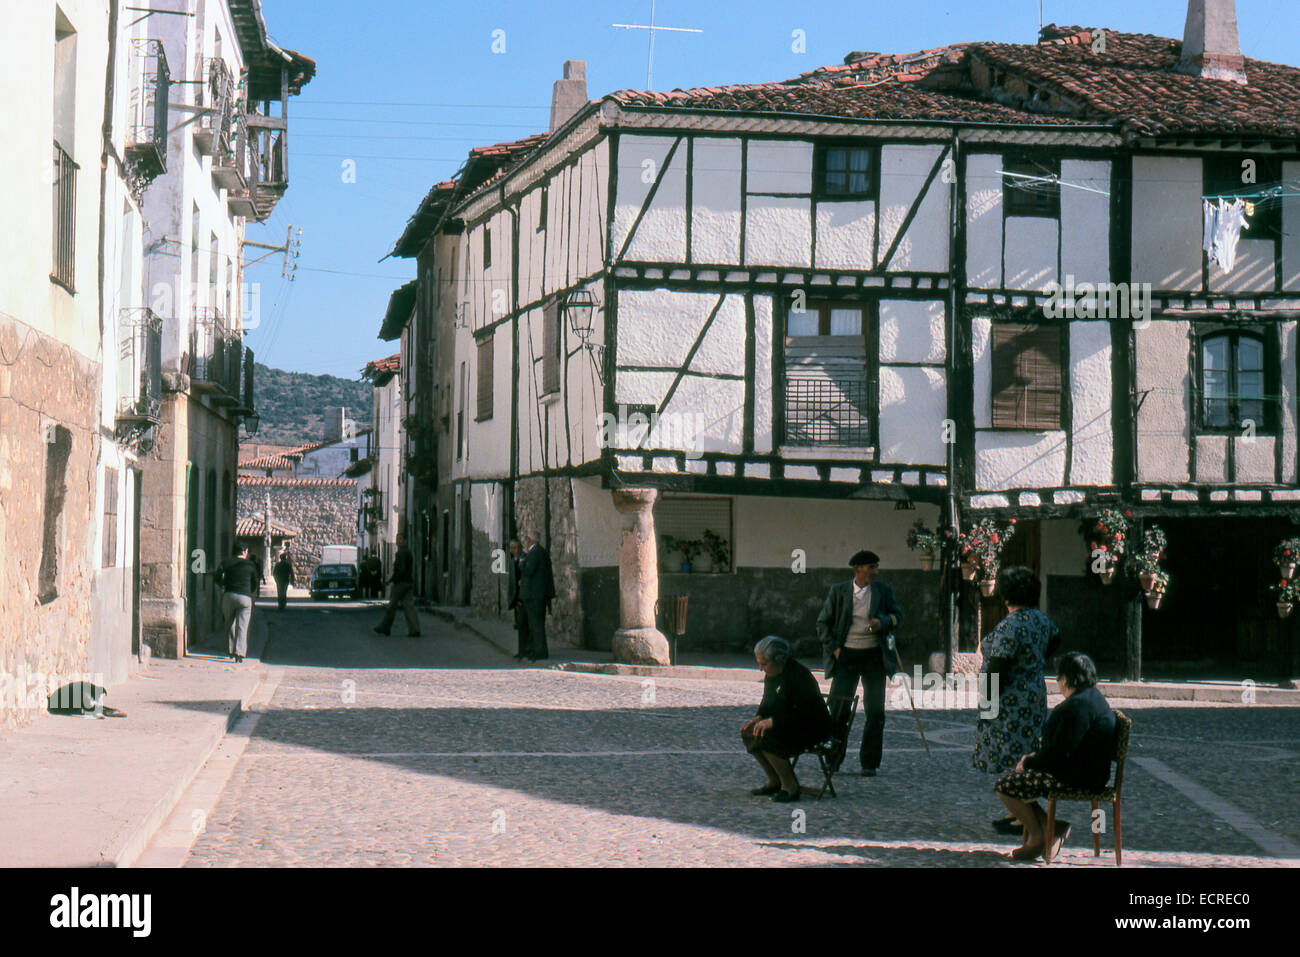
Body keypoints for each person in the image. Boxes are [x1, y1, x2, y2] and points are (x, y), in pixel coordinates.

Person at [994, 652, 1116, 861]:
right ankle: (1052, 827)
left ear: (1066, 679)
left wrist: (1029, 762)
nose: (1058, 683)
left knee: (1005, 787)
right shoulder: (1093, 699)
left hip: (1077, 777)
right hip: (1093, 772)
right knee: (1021, 780)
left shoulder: (1076, 707)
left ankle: (1038, 836)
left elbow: (1059, 754)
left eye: (1058, 678)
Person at [973, 565, 1062, 836]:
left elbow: (998, 665)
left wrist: (987, 701)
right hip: (1033, 693)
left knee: (1011, 755)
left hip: (1010, 699)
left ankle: (1024, 816)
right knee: (1025, 750)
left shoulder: (1011, 624)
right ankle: (1018, 813)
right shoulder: (1041, 619)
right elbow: (1055, 640)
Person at [817, 549, 903, 776]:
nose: (876, 571)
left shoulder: (883, 590)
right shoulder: (839, 591)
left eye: (877, 566)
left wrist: (882, 621)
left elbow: (897, 616)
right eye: (872, 567)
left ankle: (869, 763)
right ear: (858, 569)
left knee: (875, 712)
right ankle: (833, 758)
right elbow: (822, 623)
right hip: (846, 655)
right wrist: (834, 648)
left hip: (874, 655)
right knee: (838, 708)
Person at [742, 635, 833, 802]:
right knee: (750, 732)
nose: (761, 668)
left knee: (768, 736)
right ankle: (775, 780)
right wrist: (759, 717)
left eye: (764, 664)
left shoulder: (798, 676)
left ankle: (790, 787)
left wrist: (773, 722)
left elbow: (805, 712)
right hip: (789, 723)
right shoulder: (772, 674)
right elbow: (768, 701)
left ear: (779, 660)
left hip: (811, 727)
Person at [215, 544, 260, 662]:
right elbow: (255, 581)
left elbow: (217, 577)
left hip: (229, 595)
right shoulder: (250, 565)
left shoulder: (226, 562)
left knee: (229, 624)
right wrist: (250, 591)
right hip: (245, 597)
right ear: (245, 552)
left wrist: (222, 586)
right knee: (242, 626)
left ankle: (230, 650)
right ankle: (239, 653)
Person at [374, 532, 421, 637]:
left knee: (391, 606)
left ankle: (385, 627)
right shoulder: (408, 552)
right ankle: (414, 629)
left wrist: (392, 580)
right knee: (409, 606)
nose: (398, 541)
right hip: (408, 582)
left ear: (405, 541)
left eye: (400, 539)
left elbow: (400, 570)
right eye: (397, 539)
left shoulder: (400, 553)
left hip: (400, 583)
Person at [518, 531, 555, 661]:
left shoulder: (535, 553)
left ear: (531, 540)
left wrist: (522, 563)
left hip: (534, 595)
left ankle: (539, 652)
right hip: (538, 595)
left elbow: (529, 570)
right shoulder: (541, 552)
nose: (526, 542)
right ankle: (536, 650)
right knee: (536, 624)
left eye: (527, 539)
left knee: (536, 625)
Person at [505, 539, 529, 660]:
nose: (516, 550)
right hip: (517, 599)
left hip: (524, 598)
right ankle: (521, 651)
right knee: (520, 626)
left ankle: (526, 651)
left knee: (525, 626)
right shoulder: (512, 561)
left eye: (518, 547)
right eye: (513, 548)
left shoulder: (525, 559)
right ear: (510, 550)